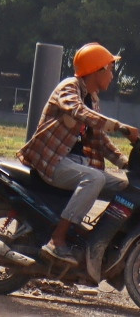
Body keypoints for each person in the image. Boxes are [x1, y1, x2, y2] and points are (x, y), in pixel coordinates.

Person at [17, 42, 139, 264]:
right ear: (97, 70)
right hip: (53, 161)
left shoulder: (92, 98)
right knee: (95, 178)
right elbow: (78, 111)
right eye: (110, 69)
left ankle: (96, 242)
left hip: (75, 162)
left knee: (125, 189)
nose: (112, 75)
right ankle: (57, 239)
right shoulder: (69, 88)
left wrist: (124, 163)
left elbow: (99, 138)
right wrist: (121, 128)